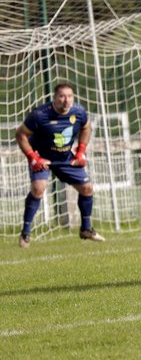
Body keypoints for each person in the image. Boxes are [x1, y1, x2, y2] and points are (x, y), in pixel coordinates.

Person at [16, 82, 106, 247]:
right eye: (62, 96)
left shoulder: (79, 112)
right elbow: (20, 134)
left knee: (87, 188)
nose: (66, 100)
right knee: (38, 188)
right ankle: (25, 233)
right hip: (42, 157)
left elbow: (86, 128)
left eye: (70, 96)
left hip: (65, 158)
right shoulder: (39, 115)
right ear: (55, 98)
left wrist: (81, 152)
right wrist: (32, 157)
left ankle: (86, 229)